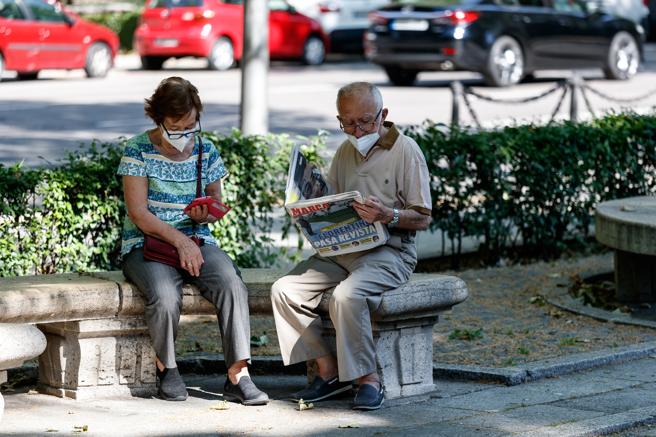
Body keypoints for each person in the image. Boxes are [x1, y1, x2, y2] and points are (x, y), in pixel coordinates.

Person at [271, 82, 432, 410]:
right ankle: (328, 374)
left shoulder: (406, 151)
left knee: (347, 296)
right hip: (343, 248)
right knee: (285, 290)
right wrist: (307, 212)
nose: (357, 131)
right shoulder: (346, 150)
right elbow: (333, 203)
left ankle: (367, 379)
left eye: (365, 121)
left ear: (383, 115)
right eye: (348, 123)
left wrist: (389, 214)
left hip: (391, 252)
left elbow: (423, 218)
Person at [118, 76, 268, 405]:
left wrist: (206, 215)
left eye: (190, 126)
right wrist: (179, 241)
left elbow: (216, 200)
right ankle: (167, 368)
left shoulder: (205, 149)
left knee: (231, 283)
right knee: (164, 295)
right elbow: (138, 213)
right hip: (148, 246)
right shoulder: (138, 149)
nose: (184, 134)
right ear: (158, 118)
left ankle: (238, 375)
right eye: (176, 126)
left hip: (197, 240)